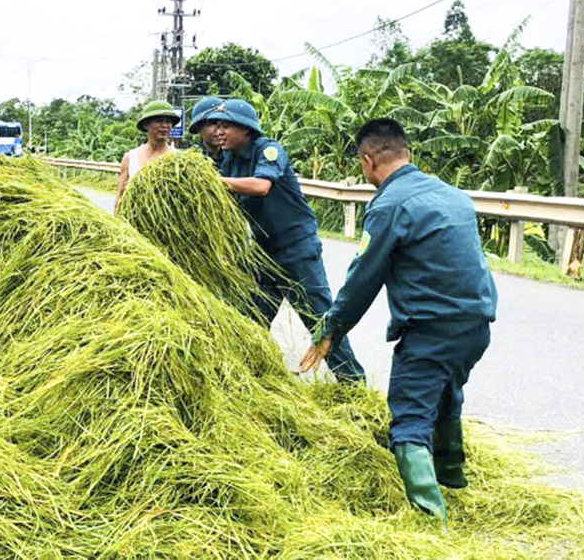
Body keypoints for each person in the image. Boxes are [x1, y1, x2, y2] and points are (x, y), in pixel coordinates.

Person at [300, 118, 496, 523]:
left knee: (409, 418)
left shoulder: (389, 205)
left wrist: (329, 330)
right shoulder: (454, 195)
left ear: (369, 161)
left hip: (431, 329)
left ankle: (429, 519)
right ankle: (453, 480)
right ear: (407, 153)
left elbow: (363, 278)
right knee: (445, 397)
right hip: (476, 325)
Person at [206, 99, 366, 383]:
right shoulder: (228, 159)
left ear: (245, 130)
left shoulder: (268, 150)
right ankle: (250, 378)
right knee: (250, 316)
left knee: (318, 318)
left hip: (297, 248)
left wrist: (212, 181)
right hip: (263, 252)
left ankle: (352, 383)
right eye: (217, 125)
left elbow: (261, 186)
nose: (220, 131)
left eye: (226, 125)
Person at [115, 100, 179, 212]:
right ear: (146, 125)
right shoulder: (130, 158)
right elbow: (120, 196)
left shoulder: (178, 158)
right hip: (134, 222)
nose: (164, 126)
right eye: (159, 121)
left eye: (168, 122)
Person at [189, 96, 225, 165]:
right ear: (198, 128)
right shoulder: (192, 159)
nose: (219, 129)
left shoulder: (236, 155)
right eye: (212, 123)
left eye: (223, 123)